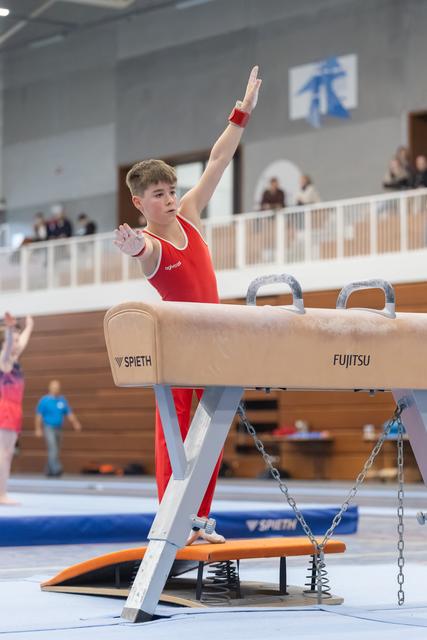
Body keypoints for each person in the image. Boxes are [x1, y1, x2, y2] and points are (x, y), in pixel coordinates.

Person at [114, 66, 262, 544]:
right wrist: (135, 248)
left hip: (212, 342)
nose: (171, 200)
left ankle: (198, 520)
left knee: (211, 435)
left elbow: (219, 159)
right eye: (159, 195)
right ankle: (172, 518)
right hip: (178, 349)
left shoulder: (192, 214)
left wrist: (242, 112)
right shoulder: (151, 245)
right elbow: (147, 255)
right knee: (174, 437)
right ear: (140, 203)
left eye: (173, 191)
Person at [0, 312, 34, 505]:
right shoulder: (4, 361)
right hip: (6, 410)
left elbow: (22, 343)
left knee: (8, 454)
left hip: (15, 411)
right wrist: (10, 329)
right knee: (4, 454)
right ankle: (1, 494)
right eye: (14, 340)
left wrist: (29, 327)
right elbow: (8, 348)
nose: (17, 343)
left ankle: (1, 492)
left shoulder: (15, 361)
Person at [35, 379, 82, 477]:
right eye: (54, 387)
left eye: (57, 388)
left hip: (59, 428)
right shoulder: (44, 400)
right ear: (50, 388)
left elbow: (69, 413)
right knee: (53, 448)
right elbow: (38, 415)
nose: (56, 389)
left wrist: (75, 423)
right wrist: (38, 429)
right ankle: (57, 469)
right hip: (48, 427)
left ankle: (48, 470)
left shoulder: (62, 400)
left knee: (57, 449)